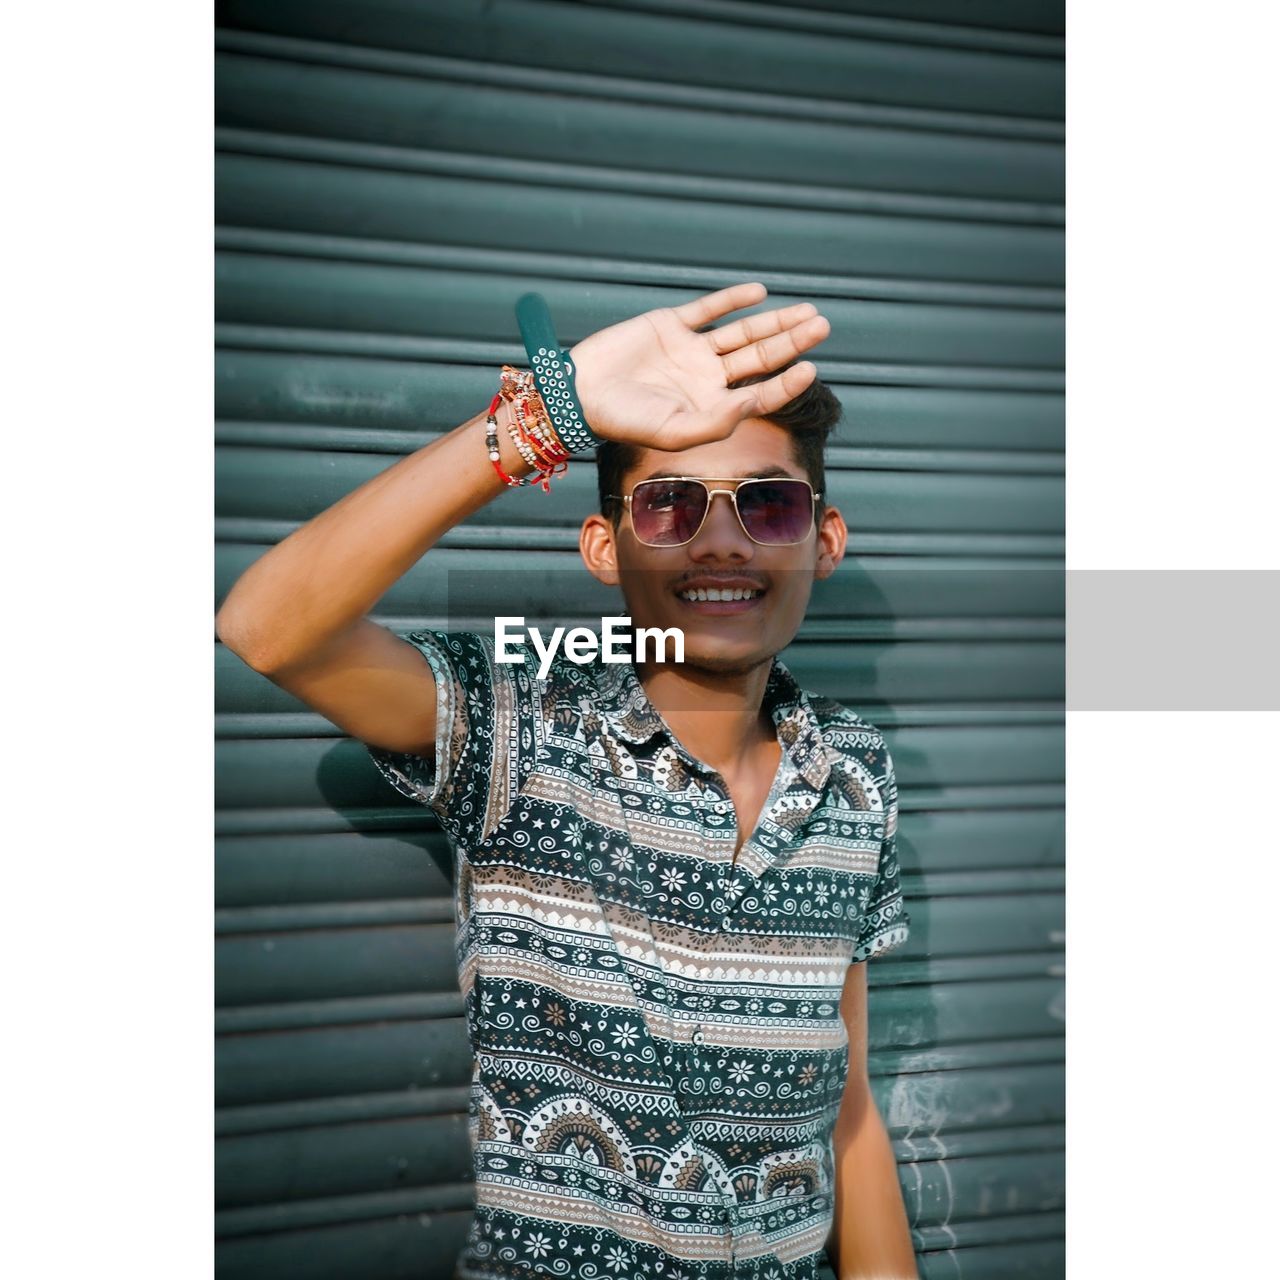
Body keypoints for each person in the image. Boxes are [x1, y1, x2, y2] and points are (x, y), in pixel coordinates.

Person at [216, 282, 917, 1280]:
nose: (721, 539)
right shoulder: (522, 731)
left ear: (823, 538)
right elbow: (266, 626)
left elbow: (844, 1109)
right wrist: (547, 413)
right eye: (670, 504)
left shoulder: (855, 774)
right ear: (603, 544)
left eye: (766, 503)